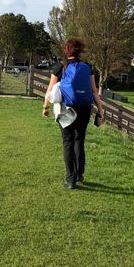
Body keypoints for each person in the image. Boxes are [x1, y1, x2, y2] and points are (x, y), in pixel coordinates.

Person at [42, 38, 104, 189]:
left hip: (66, 109)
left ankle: (71, 180)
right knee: (79, 140)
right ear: (80, 51)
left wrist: (46, 107)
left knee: (67, 141)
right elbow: (94, 91)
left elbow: (50, 90)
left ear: (66, 50)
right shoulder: (87, 67)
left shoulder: (60, 67)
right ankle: (80, 173)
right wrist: (100, 111)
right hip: (84, 108)